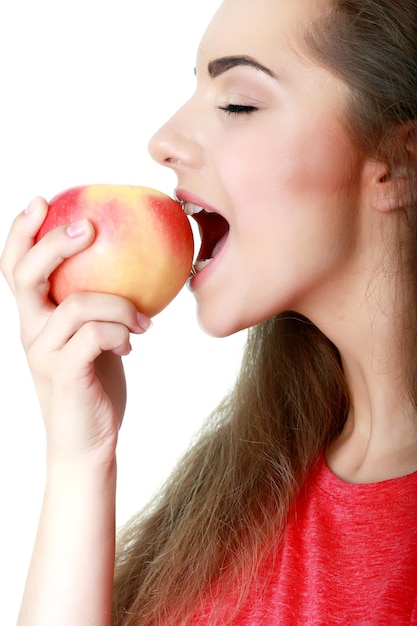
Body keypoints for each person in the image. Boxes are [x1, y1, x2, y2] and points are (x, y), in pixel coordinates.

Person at [2, 0, 417, 623]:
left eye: (238, 104)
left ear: (399, 162)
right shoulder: (246, 492)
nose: (161, 142)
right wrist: (79, 459)